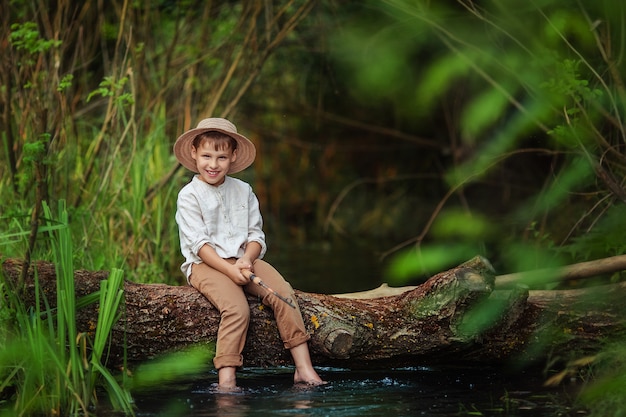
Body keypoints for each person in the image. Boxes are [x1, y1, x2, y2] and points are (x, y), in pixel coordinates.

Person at [173, 117, 324, 390]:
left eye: (221, 157)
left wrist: (246, 259)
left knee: (284, 294)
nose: (213, 164)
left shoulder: (244, 191)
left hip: (244, 260)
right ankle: (227, 380)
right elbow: (199, 245)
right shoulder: (189, 196)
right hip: (205, 265)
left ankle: (304, 369)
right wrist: (230, 270)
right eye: (206, 155)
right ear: (194, 153)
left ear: (233, 156)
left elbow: (255, 235)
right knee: (237, 309)